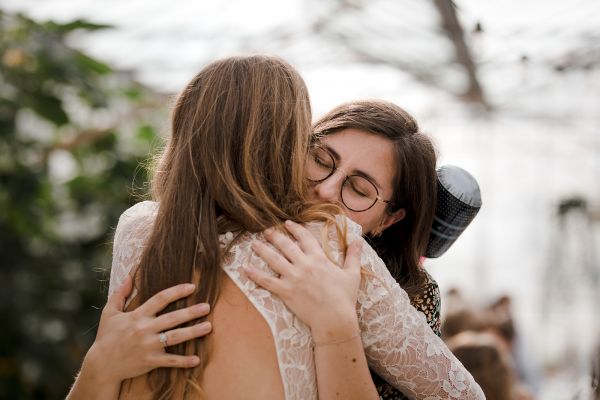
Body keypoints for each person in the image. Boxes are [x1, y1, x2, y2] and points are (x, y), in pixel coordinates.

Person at [68, 55, 484, 399]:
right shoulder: (145, 229)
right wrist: (101, 364)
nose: (323, 190)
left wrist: (336, 326)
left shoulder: (399, 283)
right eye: (320, 159)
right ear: (291, 145)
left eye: (358, 189)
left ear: (389, 219)